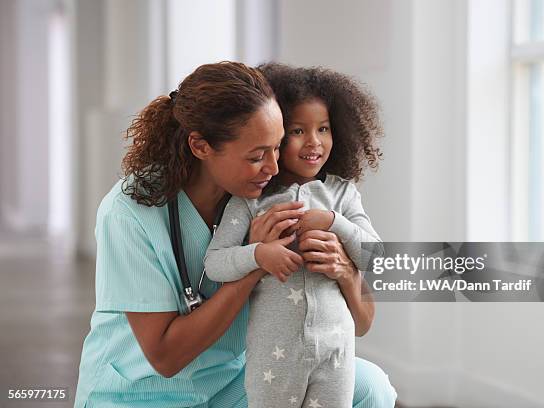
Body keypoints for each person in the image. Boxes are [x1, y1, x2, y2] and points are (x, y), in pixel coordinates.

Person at [74, 61, 397, 407]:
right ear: (200, 146)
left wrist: (346, 270)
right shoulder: (129, 212)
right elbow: (166, 358)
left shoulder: (265, 195)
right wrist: (255, 260)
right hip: (142, 394)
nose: (274, 168)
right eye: (257, 156)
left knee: (371, 388)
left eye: (277, 148)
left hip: (233, 382)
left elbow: (361, 322)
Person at [204, 63, 384, 407]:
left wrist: (333, 222)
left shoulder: (343, 195)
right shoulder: (250, 200)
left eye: (324, 129)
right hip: (274, 357)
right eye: (298, 131)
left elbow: (377, 258)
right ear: (274, 135)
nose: (314, 142)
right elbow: (216, 262)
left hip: (336, 354)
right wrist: (257, 254)